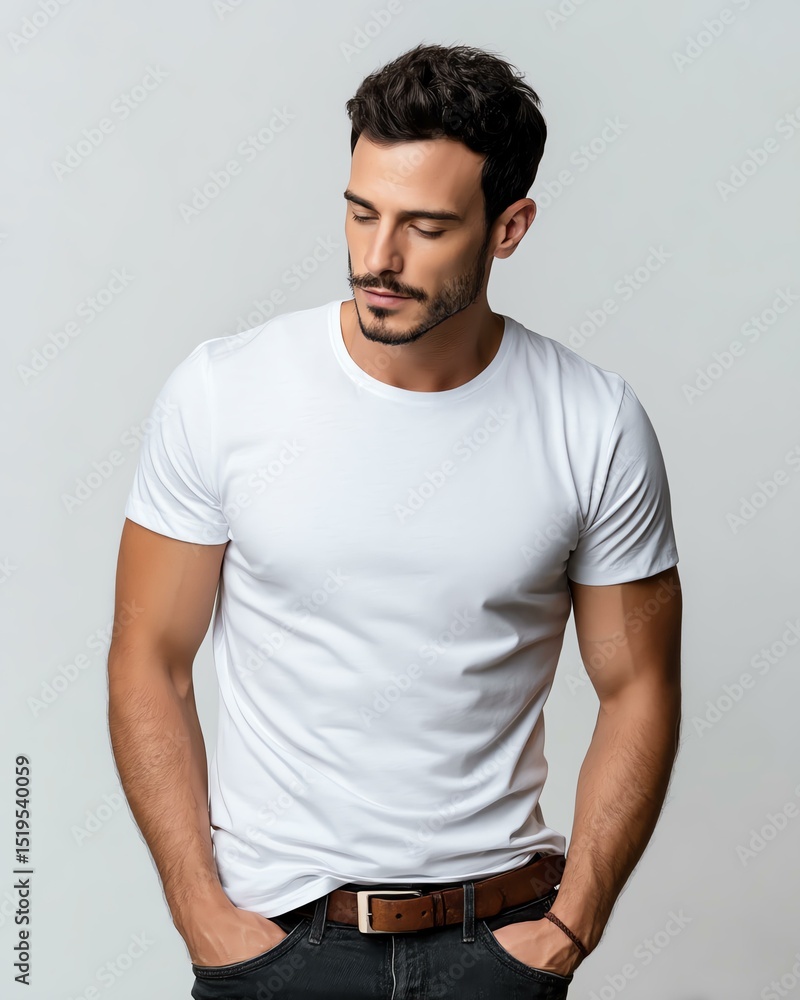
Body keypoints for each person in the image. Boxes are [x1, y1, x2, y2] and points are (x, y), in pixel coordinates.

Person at [107, 41, 682, 999]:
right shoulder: (224, 392)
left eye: (426, 226)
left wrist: (570, 924)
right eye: (362, 212)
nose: (378, 257)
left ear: (509, 227)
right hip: (276, 941)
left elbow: (639, 688)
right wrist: (200, 909)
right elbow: (148, 657)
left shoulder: (593, 420)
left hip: (496, 942)